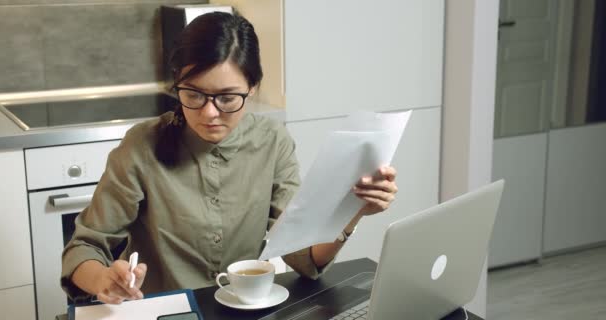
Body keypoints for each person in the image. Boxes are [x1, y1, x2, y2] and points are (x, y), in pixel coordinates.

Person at [61, 11, 398, 305]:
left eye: (226, 98)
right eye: (193, 94)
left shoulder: (272, 141)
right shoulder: (142, 145)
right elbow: (83, 249)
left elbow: (304, 258)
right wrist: (106, 280)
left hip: (243, 309)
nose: (209, 113)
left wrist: (353, 212)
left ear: (252, 87)